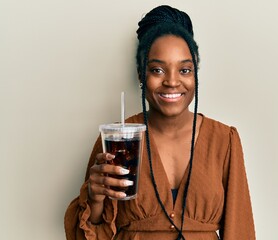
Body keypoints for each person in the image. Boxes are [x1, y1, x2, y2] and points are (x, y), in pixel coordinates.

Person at [64, 5, 255, 240]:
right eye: (157, 69)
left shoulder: (225, 140)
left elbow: (240, 231)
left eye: (184, 70)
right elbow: (87, 236)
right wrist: (94, 198)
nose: (172, 82)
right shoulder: (117, 138)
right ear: (140, 74)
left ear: (195, 73)